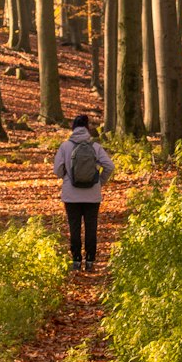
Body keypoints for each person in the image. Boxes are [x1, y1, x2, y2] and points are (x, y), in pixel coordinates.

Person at [53, 114, 114, 273]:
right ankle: (90, 261)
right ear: (87, 129)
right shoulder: (95, 147)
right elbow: (109, 166)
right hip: (92, 196)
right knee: (91, 228)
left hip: (71, 196)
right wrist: (100, 181)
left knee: (74, 227)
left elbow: (57, 170)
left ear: (73, 128)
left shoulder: (65, 147)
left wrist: (65, 177)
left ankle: (76, 260)